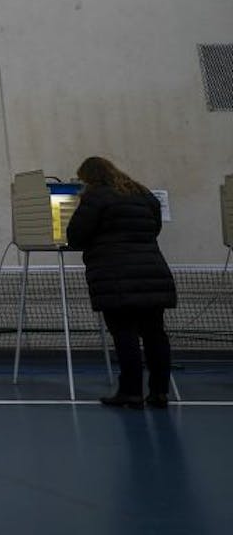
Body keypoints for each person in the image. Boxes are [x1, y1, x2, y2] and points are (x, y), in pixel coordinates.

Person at [65, 156, 176, 409]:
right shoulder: (143, 194)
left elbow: (76, 236)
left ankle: (130, 392)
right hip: (153, 273)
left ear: (88, 177)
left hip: (114, 276)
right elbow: (154, 229)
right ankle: (159, 393)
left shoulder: (96, 197)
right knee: (155, 335)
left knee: (125, 335)